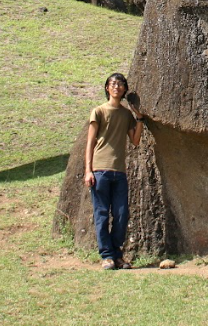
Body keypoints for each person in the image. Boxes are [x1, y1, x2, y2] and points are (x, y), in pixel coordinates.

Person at [84, 72, 144, 270]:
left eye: (120, 84)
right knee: (101, 214)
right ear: (107, 88)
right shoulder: (98, 111)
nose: (116, 87)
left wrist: (140, 119)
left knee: (121, 214)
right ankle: (107, 256)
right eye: (113, 84)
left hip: (119, 171)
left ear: (125, 89)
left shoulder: (126, 115)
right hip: (99, 170)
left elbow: (135, 141)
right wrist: (88, 170)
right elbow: (90, 142)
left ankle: (117, 255)